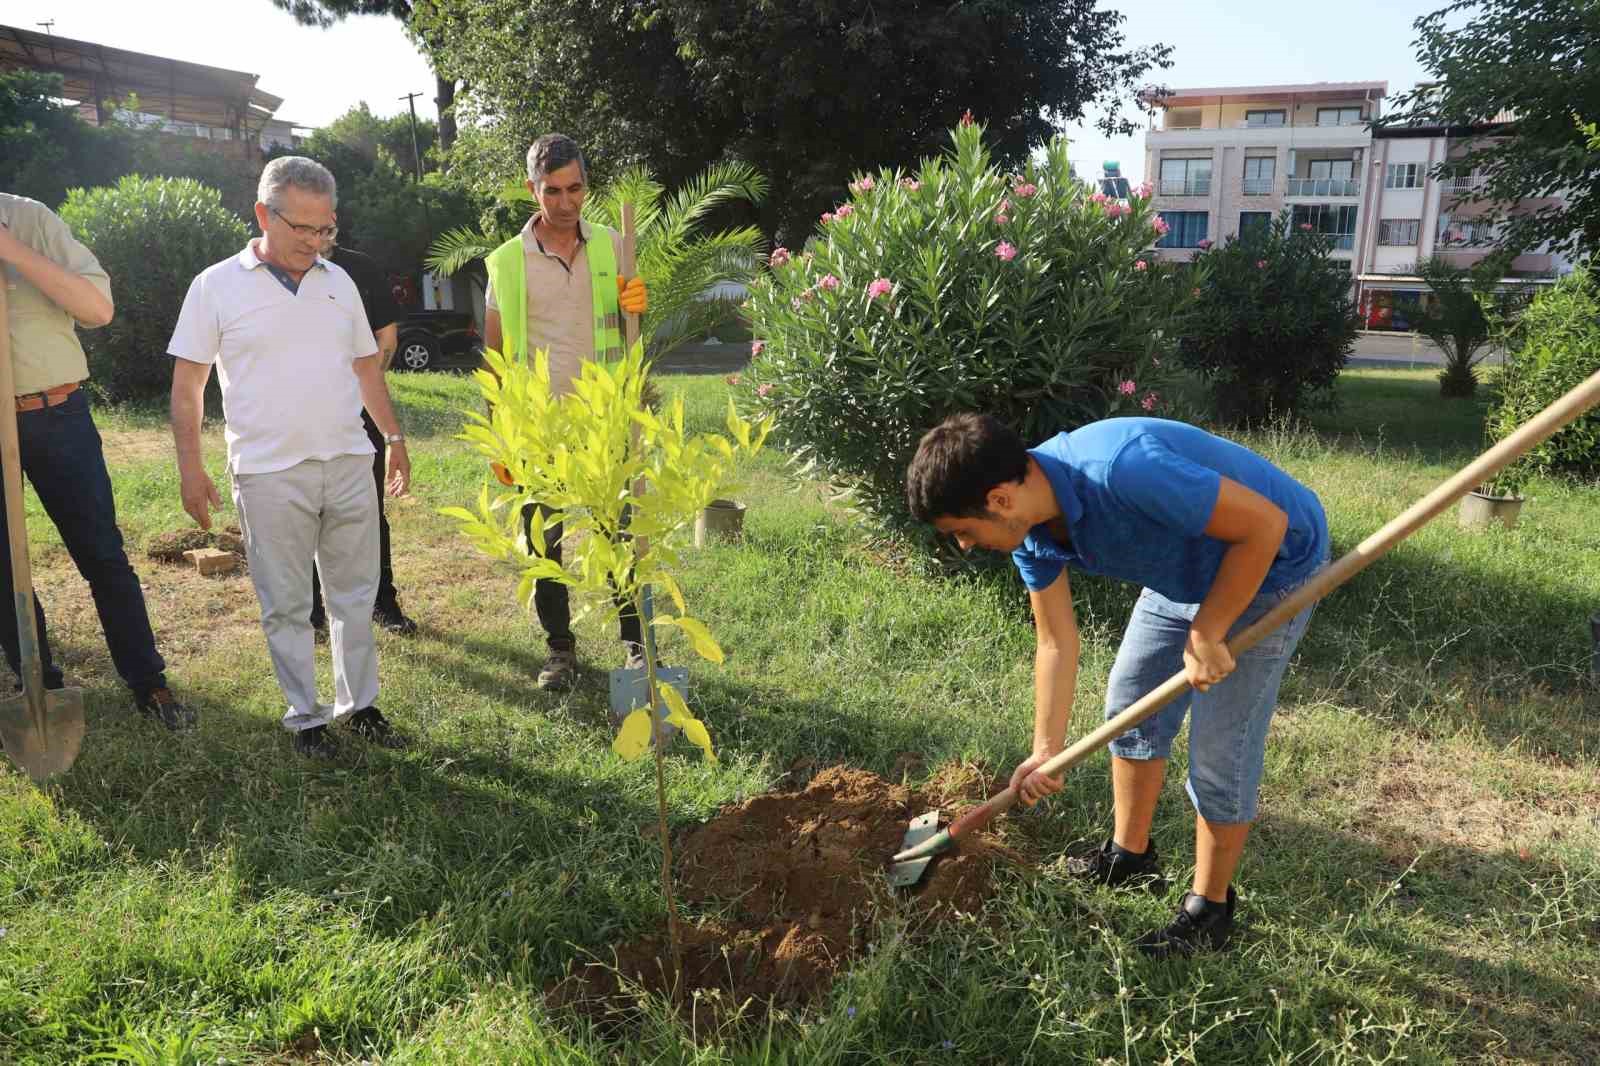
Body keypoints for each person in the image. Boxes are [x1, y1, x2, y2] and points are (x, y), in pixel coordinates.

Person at [905, 413, 1330, 958]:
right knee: (1128, 708)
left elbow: (1264, 525)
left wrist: (1208, 628)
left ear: (999, 498)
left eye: (962, 530)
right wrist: (1044, 751)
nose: (964, 544)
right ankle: (1130, 856)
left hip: (1271, 564)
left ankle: (1210, 911)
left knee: (1220, 751)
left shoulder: (1122, 470)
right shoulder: (1031, 532)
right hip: (1185, 566)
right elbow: (1056, 641)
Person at [168, 157, 411, 758]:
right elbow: (188, 386)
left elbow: (365, 368)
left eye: (325, 228)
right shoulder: (216, 286)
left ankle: (361, 705)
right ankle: (306, 717)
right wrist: (190, 468)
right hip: (269, 472)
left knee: (355, 594)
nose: (315, 241)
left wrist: (394, 438)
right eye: (302, 228)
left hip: (351, 461)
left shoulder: (338, 282)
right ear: (263, 215)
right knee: (287, 605)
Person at [0, 191, 193, 729]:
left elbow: (97, 310)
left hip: (55, 413)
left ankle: (148, 682)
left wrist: (11, 250)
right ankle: (38, 683)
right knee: (2, 565)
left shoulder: (28, 218)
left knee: (103, 556)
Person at [482, 133, 650, 692]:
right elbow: (495, 354)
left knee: (619, 534)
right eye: (551, 190)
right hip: (541, 424)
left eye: (574, 187)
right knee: (544, 539)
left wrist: (637, 305)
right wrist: (500, 435)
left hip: (605, 417)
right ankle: (560, 650)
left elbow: (627, 331)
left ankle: (635, 648)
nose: (564, 201)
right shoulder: (507, 262)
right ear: (533, 189)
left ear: (586, 186)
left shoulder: (612, 245)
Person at [308, 233, 417, 637]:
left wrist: (362, 390)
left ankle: (382, 604)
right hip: (299, 417)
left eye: (322, 225)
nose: (315, 236)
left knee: (369, 511)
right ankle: (311, 614)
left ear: (333, 222)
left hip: (359, 414)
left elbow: (385, 338)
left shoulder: (361, 270)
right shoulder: (272, 277)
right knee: (307, 514)